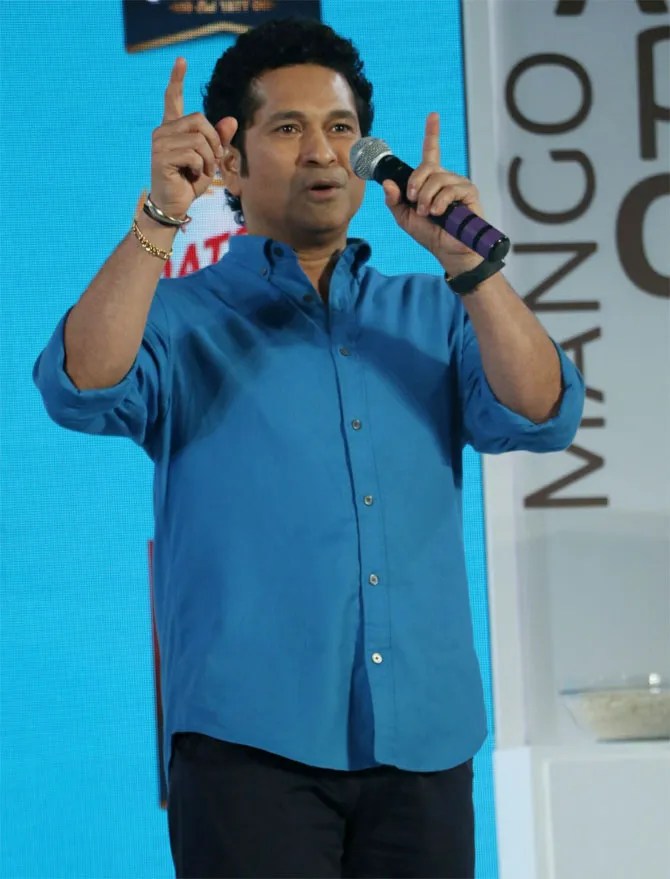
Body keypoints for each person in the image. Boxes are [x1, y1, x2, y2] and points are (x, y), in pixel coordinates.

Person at [33, 17, 584, 879]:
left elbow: (544, 411)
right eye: (288, 128)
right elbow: (80, 386)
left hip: (424, 741)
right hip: (247, 747)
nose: (323, 152)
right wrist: (161, 216)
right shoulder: (178, 315)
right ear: (229, 161)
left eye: (341, 128)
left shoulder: (435, 310)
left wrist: (469, 268)